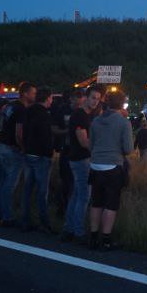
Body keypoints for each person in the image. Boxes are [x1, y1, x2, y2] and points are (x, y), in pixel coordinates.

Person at [87, 91, 132, 251]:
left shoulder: (96, 121)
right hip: (113, 166)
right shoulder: (123, 122)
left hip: (95, 165)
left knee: (96, 202)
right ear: (121, 104)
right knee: (111, 204)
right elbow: (128, 149)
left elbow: (90, 145)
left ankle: (93, 238)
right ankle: (106, 239)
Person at [62, 88, 98, 243]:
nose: (95, 101)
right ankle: (78, 232)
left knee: (77, 195)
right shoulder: (80, 115)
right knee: (84, 196)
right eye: (93, 98)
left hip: (78, 158)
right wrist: (98, 152)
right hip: (81, 159)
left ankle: (68, 229)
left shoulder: (88, 115)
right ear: (85, 98)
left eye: (98, 98)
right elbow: (83, 141)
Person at [0, 83, 33, 225]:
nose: (34, 96)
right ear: (25, 94)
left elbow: (2, 124)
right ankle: (7, 216)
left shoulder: (10, 106)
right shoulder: (22, 109)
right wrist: (23, 147)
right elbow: (19, 132)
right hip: (12, 148)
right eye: (33, 93)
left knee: (3, 182)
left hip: (2, 146)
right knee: (10, 184)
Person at [19, 86, 55, 232]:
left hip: (28, 154)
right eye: (51, 98)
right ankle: (44, 222)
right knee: (42, 191)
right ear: (47, 99)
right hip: (41, 157)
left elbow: (23, 132)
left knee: (27, 189)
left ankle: (25, 220)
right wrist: (49, 153)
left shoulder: (28, 111)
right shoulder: (45, 115)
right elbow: (45, 137)